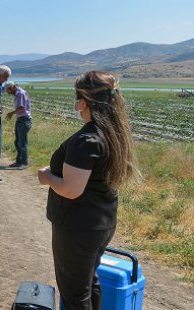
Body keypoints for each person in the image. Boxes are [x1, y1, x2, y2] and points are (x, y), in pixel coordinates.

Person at [37, 71, 137, 310]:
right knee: (89, 283)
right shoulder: (113, 133)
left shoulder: (88, 139)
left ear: (83, 101)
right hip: (101, 222)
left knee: (74, 296)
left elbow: (71, 189)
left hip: (77, 227)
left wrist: (47, 177)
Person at [5, 81, 32, 169]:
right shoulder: (18, 94)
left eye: (8, 91)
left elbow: (21, 108)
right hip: (21, 119)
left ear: (11, 88)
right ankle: (18, 162)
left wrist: (11, 113)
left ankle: (24, 163)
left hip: (24, 120)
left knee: (22, 142)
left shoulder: (20, 93)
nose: (8, 93)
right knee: (18, 142)